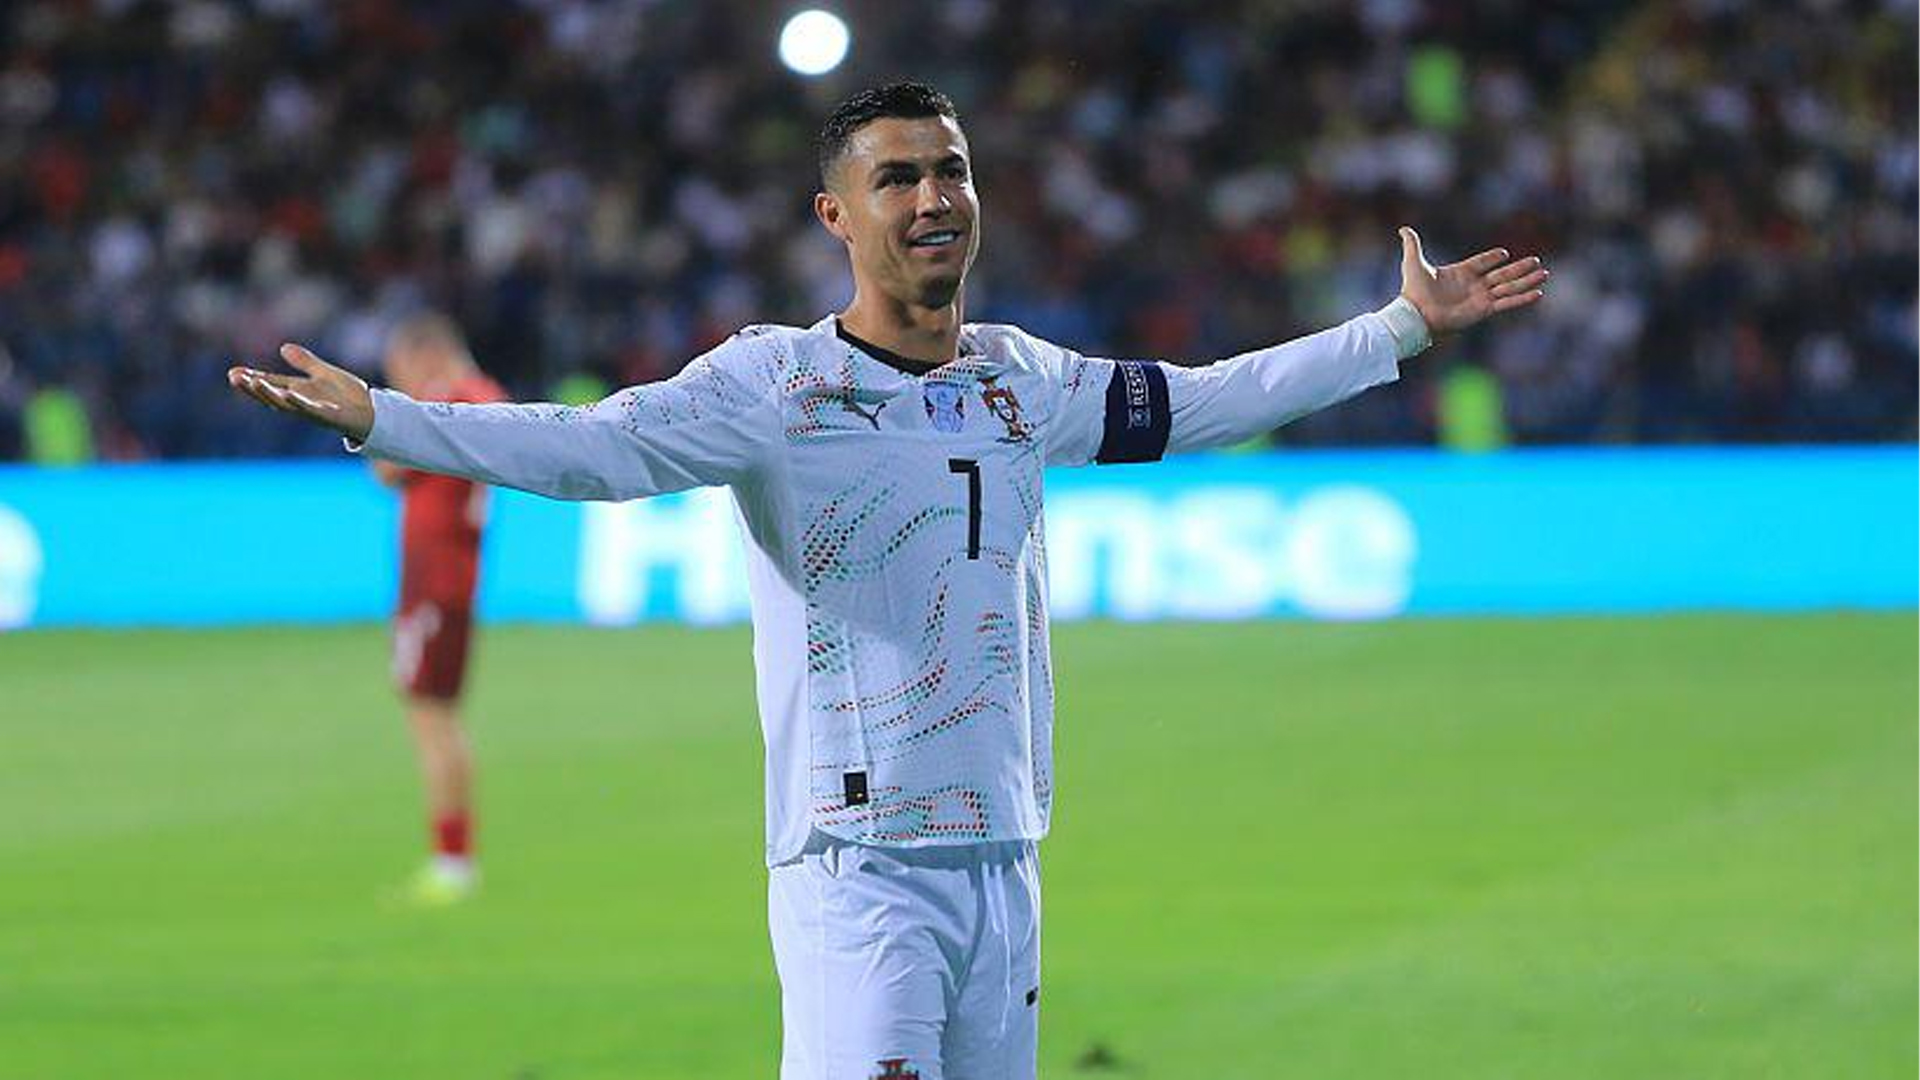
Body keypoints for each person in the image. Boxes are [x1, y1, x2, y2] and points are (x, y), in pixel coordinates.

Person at [228, 82, 1546, 1080]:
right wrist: (387, 419)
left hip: (1004, 856)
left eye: (952, 170)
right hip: (858, 868)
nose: (933, 198)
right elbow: (592, 450)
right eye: (898, 177)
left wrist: (1399, 330)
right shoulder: (774, 386)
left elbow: (1209, 400)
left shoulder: (1023, 381)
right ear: (838, 216)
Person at [370, 313, 508, 906]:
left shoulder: (447, 399)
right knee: (439, 715)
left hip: (435, 580)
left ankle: (452, 862)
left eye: (398, 370)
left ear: (425, 356)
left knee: (430, 717)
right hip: (453, 577)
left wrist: (409, 403)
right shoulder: (485, 398)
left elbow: (386, 468)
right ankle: (453, 859)